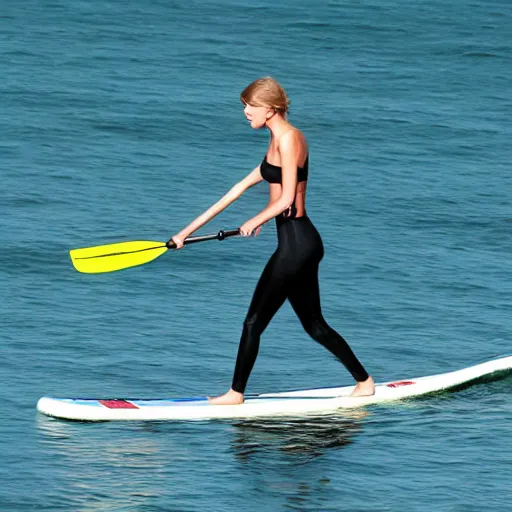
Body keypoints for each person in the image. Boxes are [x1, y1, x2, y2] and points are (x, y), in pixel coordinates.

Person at [170, 77, 375, 405]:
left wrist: (256, 219)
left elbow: (287, 199)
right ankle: (365, 383)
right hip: (298, 244)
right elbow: (235, 191)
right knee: (314, 326)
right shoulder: (274, 141)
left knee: (253, 322)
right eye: (245, 106)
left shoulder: (290, 140)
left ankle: (235, 394)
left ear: (269, 109)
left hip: (298, 244)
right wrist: (184, 233)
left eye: (250, 106)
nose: (245, 112)